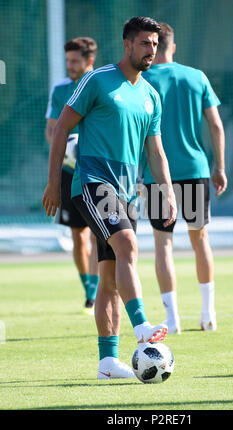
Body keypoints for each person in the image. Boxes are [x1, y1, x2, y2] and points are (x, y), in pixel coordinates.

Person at [42, 17, 177, 379]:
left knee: (109, 276)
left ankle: (107, 362)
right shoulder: (97, 80)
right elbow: (60, 131)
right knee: (128, 246)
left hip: (126, 191)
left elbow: (156, 152)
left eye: (154, 44)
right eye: (144, 43)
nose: (150, 50)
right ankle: (143, 327)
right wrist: (54, 183)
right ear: (127, 44)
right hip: (92, 181)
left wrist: (165, 192)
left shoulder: (151, 95)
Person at [142, 23, 227, 334]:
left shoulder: (142, 79)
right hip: (194, 169)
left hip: (156, 176)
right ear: (173, 47)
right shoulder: (196, 76)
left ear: (152, 47)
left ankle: (172, 320)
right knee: (200, 239)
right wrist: (219, 167)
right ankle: (208, 314)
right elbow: (216, 126)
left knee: (163, 244)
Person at [45, 37, 100, 315]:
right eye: (68, 61)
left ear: (89, 61)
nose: (70, 66)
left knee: (97, 235)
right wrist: (66, 148)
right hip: (68, 172)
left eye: (75, 61)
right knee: (78, 237)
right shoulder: (60, 90)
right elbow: (51, 130)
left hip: (97, 169)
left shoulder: (100, 84)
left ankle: (95, 294)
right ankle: (88, 289)